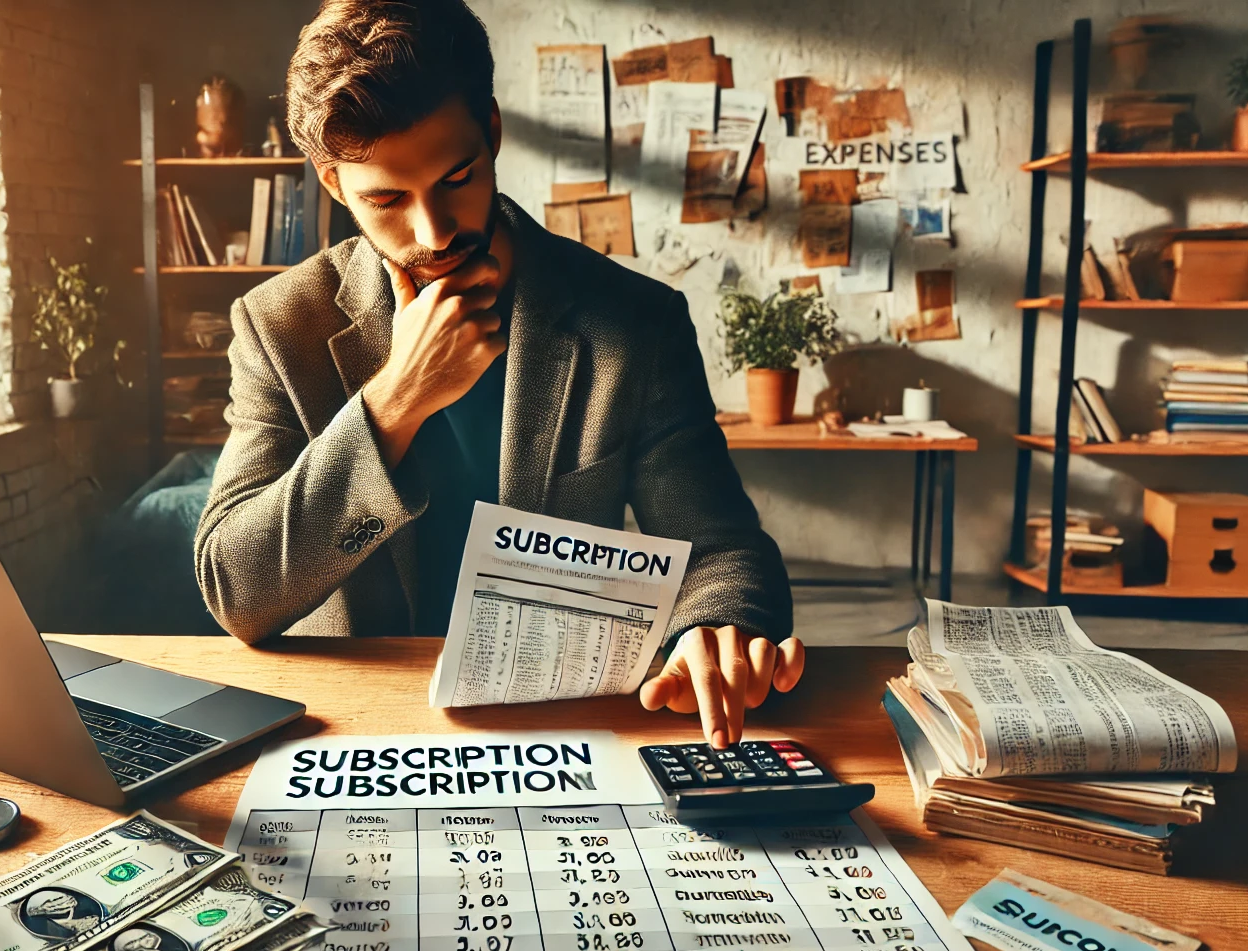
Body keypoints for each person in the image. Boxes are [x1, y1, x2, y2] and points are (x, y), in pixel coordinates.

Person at [194, 0, 803, 750]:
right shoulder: (279, 325)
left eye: (457, 177)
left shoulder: (637, 324)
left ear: (493, 132)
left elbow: (722, 550)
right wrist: (393, 403)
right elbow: (236, 588)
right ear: (333, 184)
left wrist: (716, 628)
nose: (433, 231)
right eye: (385, 199)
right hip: (350, 735)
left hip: (561, 728)